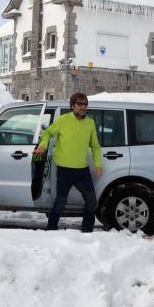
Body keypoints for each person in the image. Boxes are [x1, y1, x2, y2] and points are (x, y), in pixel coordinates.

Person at [33, 92, 102, 232]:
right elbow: (47, 133)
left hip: (82, 170)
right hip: (64, 169)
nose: (83, 107)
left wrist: (98, 164)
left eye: (85, 104)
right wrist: (43, 145)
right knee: (60, 203)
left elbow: (95, 146)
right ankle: (51, 229)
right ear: (72, 106)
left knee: (92, 202)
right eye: (79, 104)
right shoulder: (63, 120)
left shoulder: (90, 123)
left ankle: (87, 232)